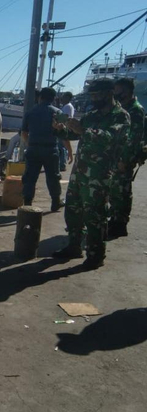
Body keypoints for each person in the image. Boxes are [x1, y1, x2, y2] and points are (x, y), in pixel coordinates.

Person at [52, 78, 130, 270]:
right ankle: (74, 245)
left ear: (109, 93)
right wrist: (61, 131)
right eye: (92, 95)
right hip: (80, 173)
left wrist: (84, 129)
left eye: (97, 95)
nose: (93, 99)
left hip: (98, 175)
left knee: (95, 216)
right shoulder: (92, 114)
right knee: (73, 211)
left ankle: (96, 255)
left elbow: (110, 138)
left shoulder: (120, 116)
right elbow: (75, 135)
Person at [108, 77, 146, 237]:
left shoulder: (135, 110)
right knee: (114, 190)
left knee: (122, 190)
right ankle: (115, 218)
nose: (115, 93)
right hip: (116, 157)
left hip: (125, 157)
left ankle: (120, 224)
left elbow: (134, 138)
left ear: (126, 91)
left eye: (117, 90)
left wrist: (125, 159)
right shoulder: (122, 108)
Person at [21, 87, 64, 211]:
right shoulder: (58, 112)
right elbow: (62, 132)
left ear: (40, 97)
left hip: (33, 148)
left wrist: (30, 144)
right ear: (54, 98)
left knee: (30, 177)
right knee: (53, 176)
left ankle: (27, 203)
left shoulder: (30, 112)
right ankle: (55, 202)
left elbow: (24, 132)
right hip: (51, 149)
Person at [59, 92, 75, 171]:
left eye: (64, 97)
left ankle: (62, 164)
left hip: (64, 128)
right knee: (61, 147)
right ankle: (61, 163)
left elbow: (65, 117)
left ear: (68, 98)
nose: (62, 99)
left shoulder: (67, 106)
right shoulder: (67, 106)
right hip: (64, 128)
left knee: (62, 147)